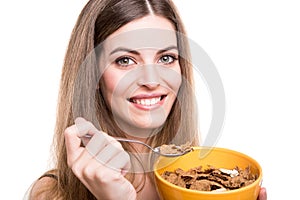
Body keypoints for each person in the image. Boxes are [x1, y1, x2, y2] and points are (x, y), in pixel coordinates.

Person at [28, 0, 267, 199]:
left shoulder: (203, 182)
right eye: (125, 60)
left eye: (166, 58)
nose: (152, 80)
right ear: (94, 76)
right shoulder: (51, 193)